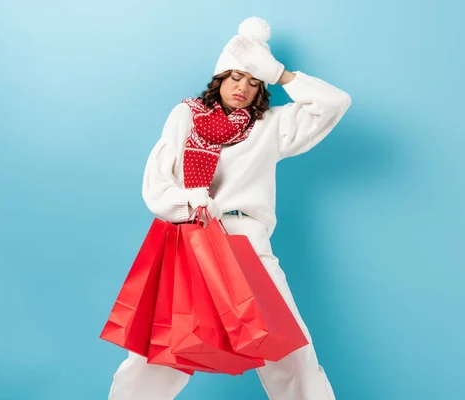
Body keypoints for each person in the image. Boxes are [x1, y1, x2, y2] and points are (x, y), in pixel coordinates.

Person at [108, 16, 351, 400]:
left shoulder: (271, 125)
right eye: (237, 76)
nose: (243, 87)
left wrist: (281, 74)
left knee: (291, 351)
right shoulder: (186, 115)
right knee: (159, 350)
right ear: (220, 78)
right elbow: (157, 180)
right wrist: (189, 200)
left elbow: (335, 103)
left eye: (255, 82)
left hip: (247, 243)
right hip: (190, 237)